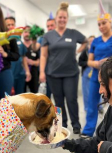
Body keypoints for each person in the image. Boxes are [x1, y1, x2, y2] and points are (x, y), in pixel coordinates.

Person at [80, 2, 112, 138]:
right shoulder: (95, 41)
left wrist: (110, 62)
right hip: (96, 77)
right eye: (99, 24)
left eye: (104, 23)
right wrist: (96, 63)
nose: (101, 26)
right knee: (92, 104)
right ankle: (88, 131)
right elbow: (89, 60)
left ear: (110, 22)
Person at [40, 2, 87, 134]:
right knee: (58, 100)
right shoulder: (48, 36)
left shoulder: (73, 33)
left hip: (71, 73)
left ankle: (76, 124)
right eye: (60, 17)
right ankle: (62, 124)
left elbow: (86, 41)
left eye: (64, 17)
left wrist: (77, 51)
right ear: (56, 19)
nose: (62, 19)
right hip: (53, 73)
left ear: (67, 19)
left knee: (71, 99)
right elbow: (43, 55)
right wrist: (41, 72)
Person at [5, 16, 31, 95]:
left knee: (20, 97)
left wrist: (27, 71)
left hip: (20, 75)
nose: (10, 26)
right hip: (8, 74)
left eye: (12, 24)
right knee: (8, 98)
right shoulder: (3, 41)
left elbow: (23, 58)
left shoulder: (19, 41)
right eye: (8, 25)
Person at [78, 35, 95, 113]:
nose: (91, 42)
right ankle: (87, 108)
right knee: (86, 92)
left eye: (93, 40)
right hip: (86, 73)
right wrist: (88, 63)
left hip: (95, 72)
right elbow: (80, 62)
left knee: (97, 91)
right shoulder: (84, 51)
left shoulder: (97, 50)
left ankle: (99, 106)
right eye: (90, 40)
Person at [23, 26, 40, 93]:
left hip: (34, 74)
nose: (27, 34)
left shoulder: (37, 45)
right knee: (22, 95)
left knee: (34, 95)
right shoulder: (20, 45)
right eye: (25, 32)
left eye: (29, 32)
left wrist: (31, 62)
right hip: (22, 74)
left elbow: (39, 61)